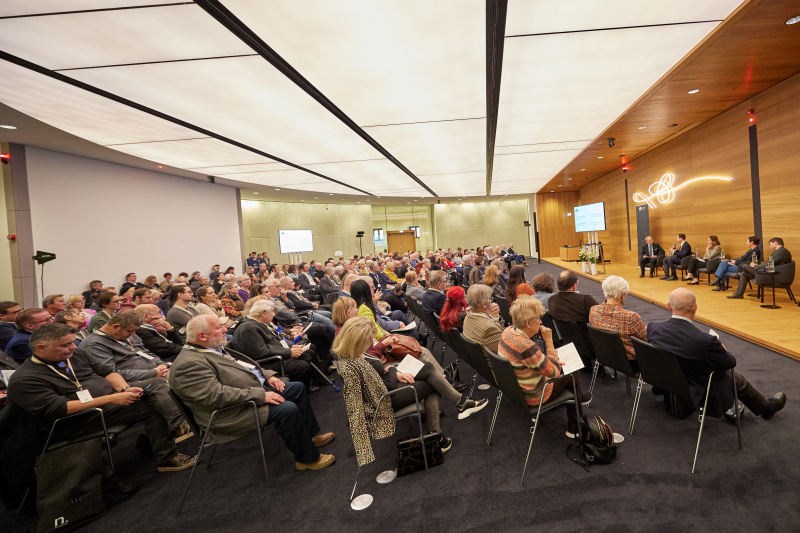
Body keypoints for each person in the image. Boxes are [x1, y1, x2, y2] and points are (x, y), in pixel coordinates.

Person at [8, 323, 196, 472]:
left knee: (156, 384)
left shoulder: (75, 354)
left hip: (107, 401)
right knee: (148, 406)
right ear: (41, 348)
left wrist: (123, 389)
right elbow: (59, 408)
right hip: (75, 420)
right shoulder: (25, 379)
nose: (73, 347)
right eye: (65, 345)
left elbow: (105, 371)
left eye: (73, 342)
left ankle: (164, 432)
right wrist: (111, 399)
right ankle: (167, 456)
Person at [169, 315, 335, 471]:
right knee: (287, 409)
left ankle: (311, 436)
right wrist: (260, 395)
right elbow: (215, 396)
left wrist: (268, 376)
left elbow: (247, 364)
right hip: (229, 413)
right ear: (202, 336)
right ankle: (307, 459)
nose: (226, 330)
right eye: (219, 327)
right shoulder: (188, 364)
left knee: (296, 388)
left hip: (248, 394)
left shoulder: (209, 348)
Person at [334, 317, 487, 464]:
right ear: (358, 340)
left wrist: (391, 372)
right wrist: (393, 372)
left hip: (386, 388)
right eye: (368, 339)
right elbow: (385, 388)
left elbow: (376, 382)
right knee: (431, 384)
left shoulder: (350, 357)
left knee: (427, 369)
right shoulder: (358, 362)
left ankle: (446, 424)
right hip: (387, 400)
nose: (371, 343)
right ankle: (444, 425)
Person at [647, 288, 786, 422]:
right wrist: (723, 350)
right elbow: (730, 363)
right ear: (695, 308)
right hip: (694, 388)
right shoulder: (705, 341)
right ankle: (766, 408)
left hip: (666, 382)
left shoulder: (653, 328)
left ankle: (736, 407)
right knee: (732, 377)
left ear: (669, 307)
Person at [76, 310, 191, 440]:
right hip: (126, 383)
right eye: (130, 331)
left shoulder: (129, 335)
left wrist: (163, 365)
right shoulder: (94, 344)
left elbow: (148, 354)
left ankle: (149, 438)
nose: (133, 334)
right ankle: (183, 423)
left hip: (156, 371)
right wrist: (153, 372)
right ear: (115, 327)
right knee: (178, 380)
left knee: (188, 371)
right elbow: (112, 373)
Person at [497, 295, 589, 438]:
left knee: (567, 370)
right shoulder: (527, 347)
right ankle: (575, 428)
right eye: (538, 319)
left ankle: (578, 397)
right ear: (528, 323)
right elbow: (554, 373)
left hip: (517, 389)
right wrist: (549, 341)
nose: (540, 322)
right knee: (572, 373)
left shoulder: (507, 332)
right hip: (534, 395)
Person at [227, 299, 325, 391]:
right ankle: (299, 392)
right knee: (302, 364)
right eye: (272, 312)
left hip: (274, 354)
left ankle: (306, 387)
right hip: (265, 362)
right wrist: (288, 352)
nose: (274, 315)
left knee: (306, 354)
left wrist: (291, 346)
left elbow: (277, 339)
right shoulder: (248, 328)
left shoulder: (258, 322)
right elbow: (261, 351)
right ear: (263, 313)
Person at [588, 276, 646, 373]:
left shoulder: (594, 310)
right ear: (622, 296)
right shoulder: (630, 317)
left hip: (604, 356)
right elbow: (645, 339)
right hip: (630, 363)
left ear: (604, 292)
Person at [463, 284, 504, 357]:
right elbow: (506, 351)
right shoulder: (488, 328)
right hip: (497, 366)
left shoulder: (468, 316)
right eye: (489, 298)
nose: (491, 301)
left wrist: (493, 317)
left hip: (478, 362)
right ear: (484, 305)